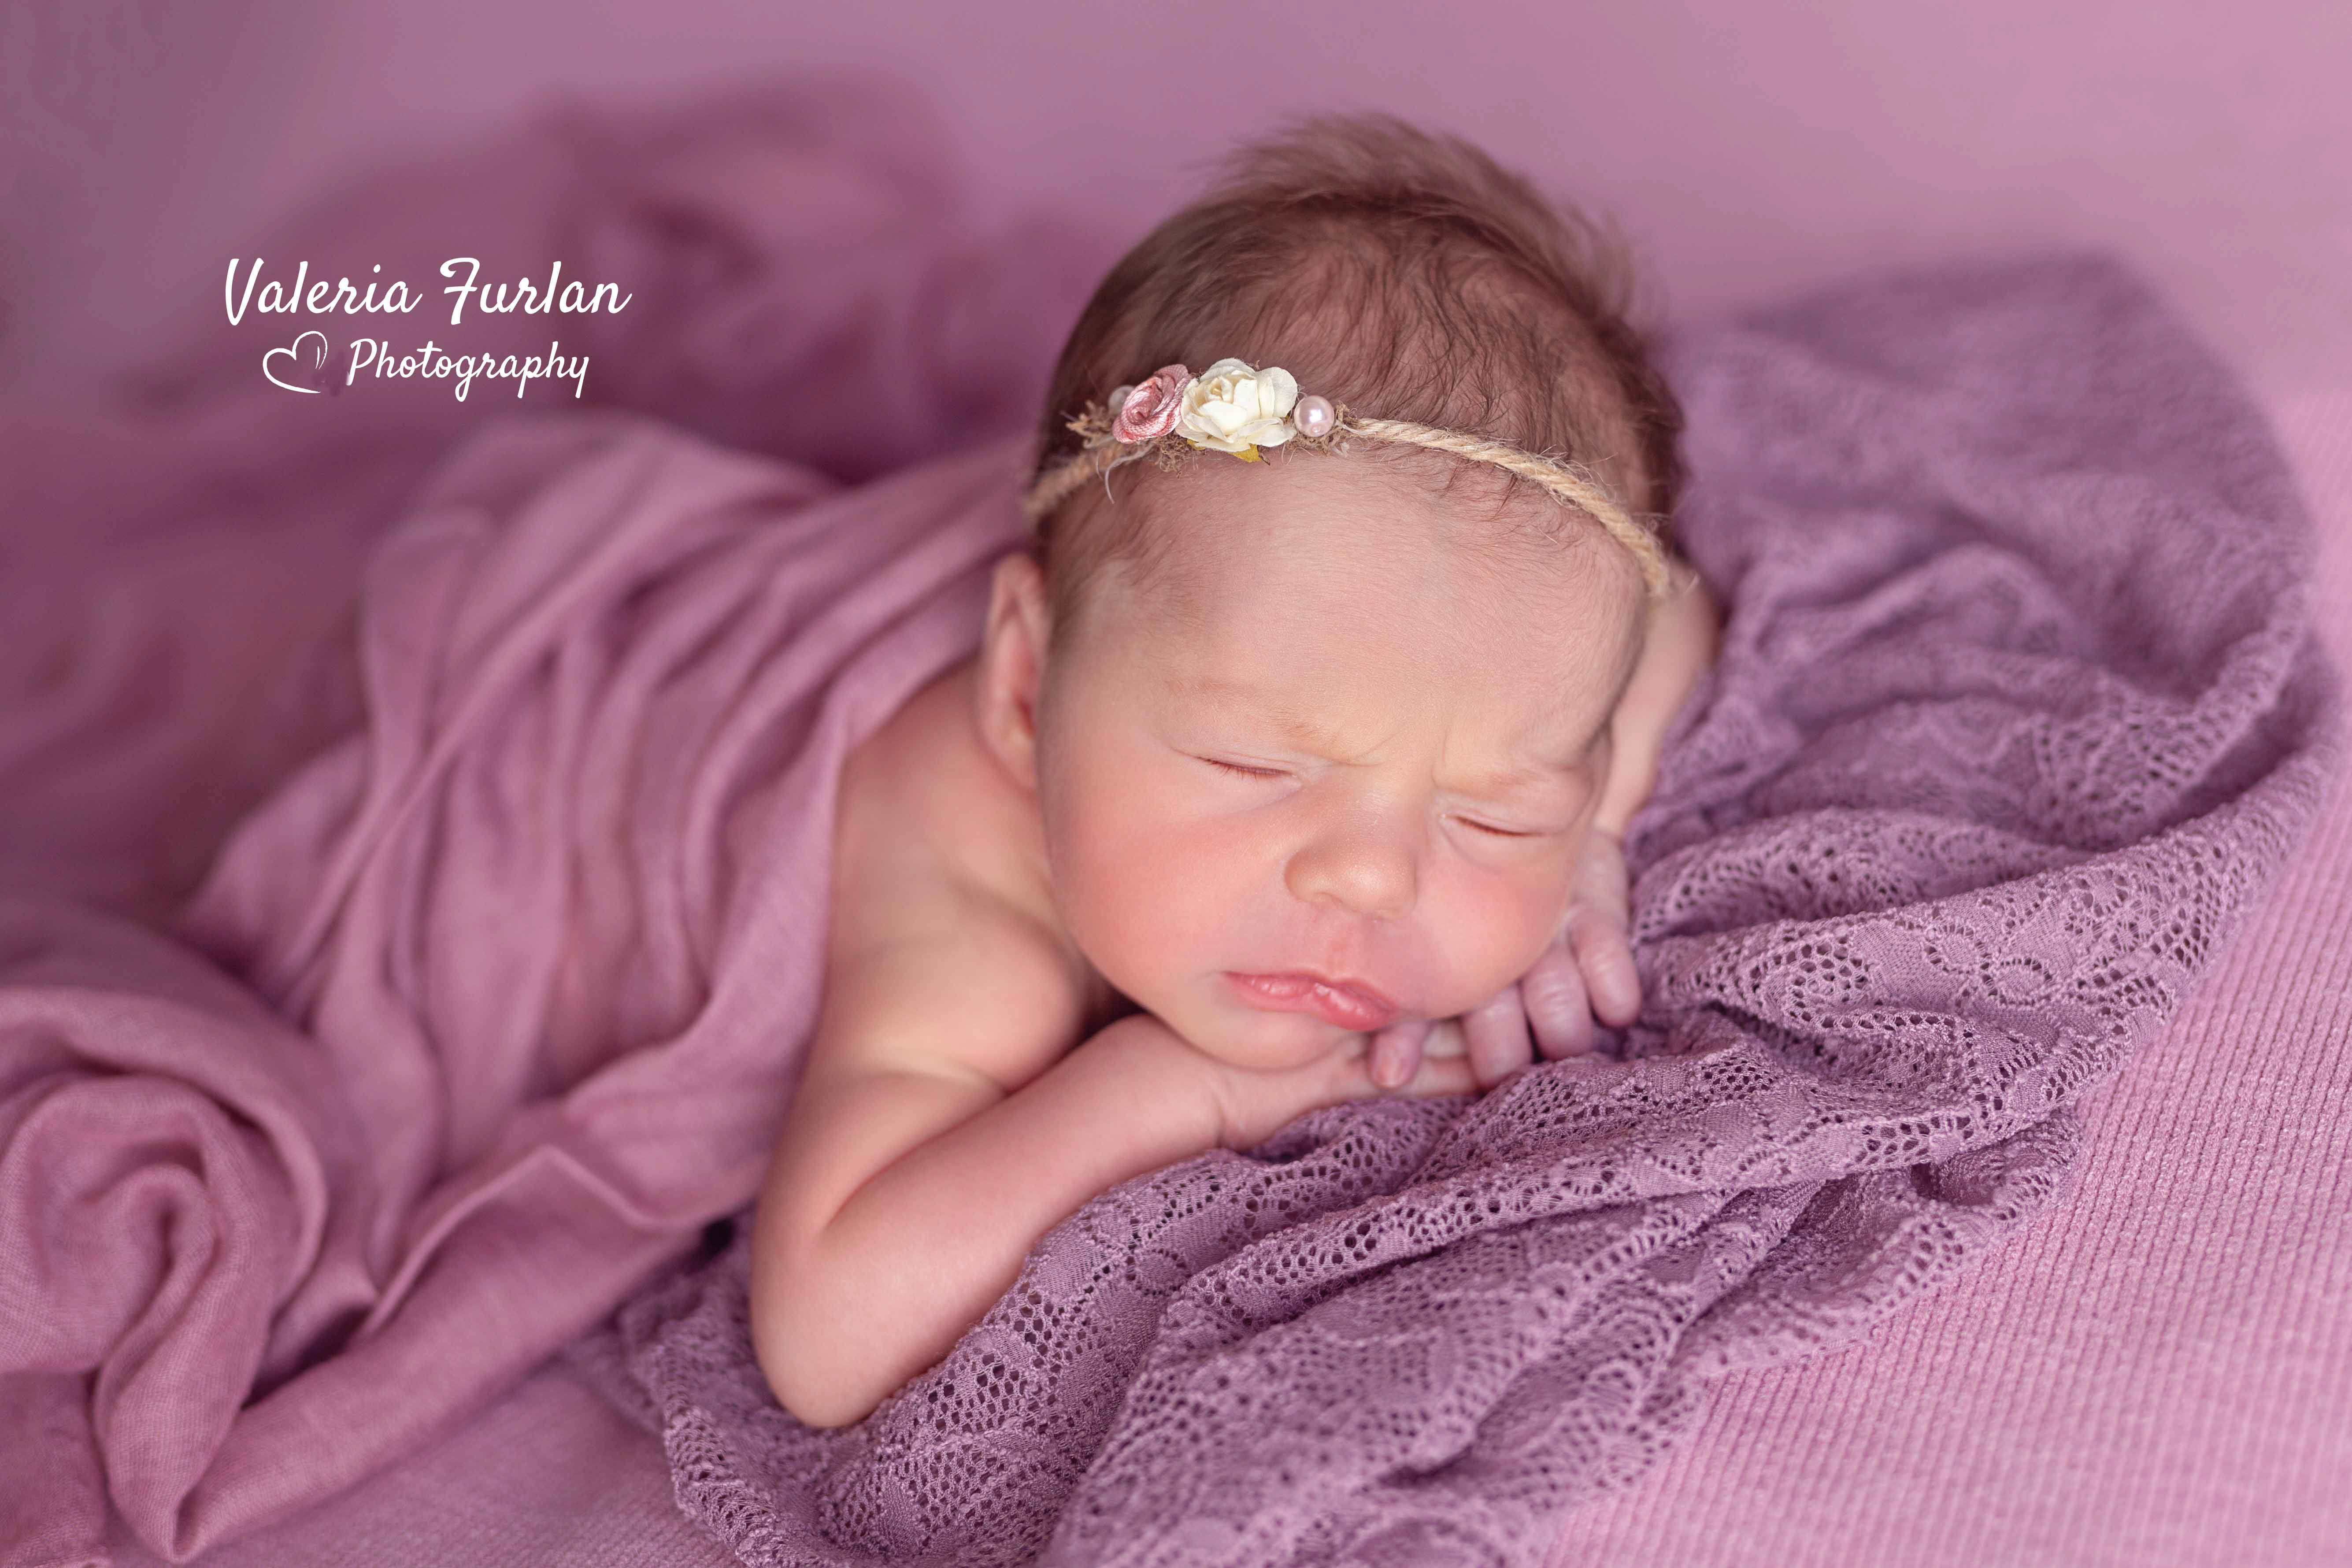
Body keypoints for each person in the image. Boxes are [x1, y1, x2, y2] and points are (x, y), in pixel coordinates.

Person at [748, 110, 1721, 1430]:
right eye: (1253, 762)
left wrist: (1588, 838)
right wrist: (1184, 1085)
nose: (1374, 875)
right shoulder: (968, 876)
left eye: (1493, 808)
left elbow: (1665, 610)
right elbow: (828, 1334)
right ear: (1027, 690)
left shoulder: (1485, 671)